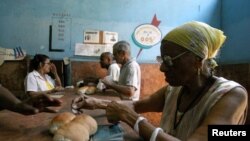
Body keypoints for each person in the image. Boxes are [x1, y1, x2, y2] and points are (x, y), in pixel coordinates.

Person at [71, 21, 248, 141]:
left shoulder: (232, 96)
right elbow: (136, 106)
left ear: (197, 61)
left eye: (170, 60)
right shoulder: (175, 90)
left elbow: (131, 113)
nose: (162, 68)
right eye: (162, 60)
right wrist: (96, 103)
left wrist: (135, 121)